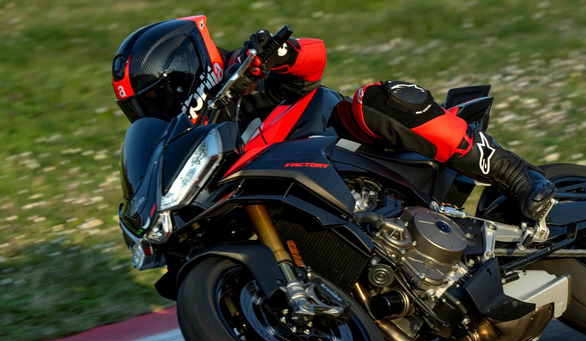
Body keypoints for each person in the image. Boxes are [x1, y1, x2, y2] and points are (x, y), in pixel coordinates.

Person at [111, 15, 556, 221]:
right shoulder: (194, 147)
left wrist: (277, 54)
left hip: (351, 150)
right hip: (296, 206)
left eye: (159, 97)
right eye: (144, 109)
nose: (158, 111)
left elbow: (312, 63)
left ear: (185, 68)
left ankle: (519, 176)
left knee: (379, 99)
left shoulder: (246, 80)